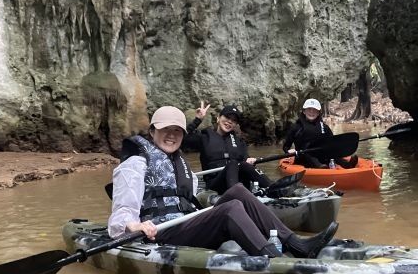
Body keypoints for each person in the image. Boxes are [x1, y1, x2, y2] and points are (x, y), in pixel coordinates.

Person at [108, 105, 338, 259]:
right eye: (164, 130)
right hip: (161, 232)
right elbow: (120, 217)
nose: (171, 135)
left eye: (177, 131)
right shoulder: (135, 165)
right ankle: (274, 259)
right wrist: (136, 226)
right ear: (151, 131)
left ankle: (296, 244)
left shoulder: (178, 161)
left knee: (237, 191)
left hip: (184, 224)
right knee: (230, 208)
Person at [184, 101, 301, 196]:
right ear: (218, 119)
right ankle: (236, 196)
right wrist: (197, 119)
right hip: (216, 182)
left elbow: (245, 159)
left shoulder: (238, 141)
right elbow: (183, 139)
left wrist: (250, 161)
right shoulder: (204, 137)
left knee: (243, 165)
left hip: (238, 181)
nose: (230, 121)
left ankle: (273, 187)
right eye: (227, 117)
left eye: (234, 120)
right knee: (233, 164)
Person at [282, 98, 359, 169]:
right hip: (303, 158)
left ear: (318, 113)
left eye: (314, 110)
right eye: (309, 109)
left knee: (331, 151)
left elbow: (332, 142)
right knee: (308, 152)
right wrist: (288, 151)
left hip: (321, 156)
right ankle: (320, 167)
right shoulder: (296, 128)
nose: (311, 112)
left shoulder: (324, 127)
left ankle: (348, 165)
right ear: (304, 111)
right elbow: (286, 146)